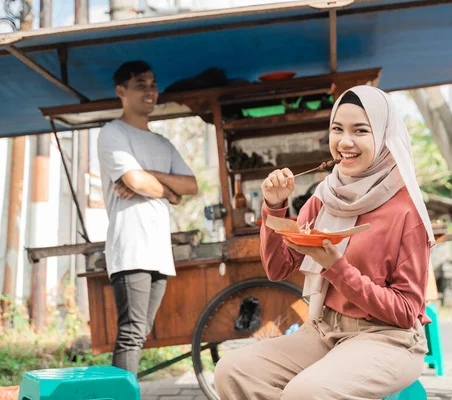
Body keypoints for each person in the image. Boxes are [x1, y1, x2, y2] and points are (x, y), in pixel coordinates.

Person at [214, 86, 435, 399]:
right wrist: (275, 207)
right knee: (232, 371)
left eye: (360, 130)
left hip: (388, 339)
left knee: (305, 393)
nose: (344, 142)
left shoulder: (405, 209)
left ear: (384, 137)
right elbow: (278, 269)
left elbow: (405, 312)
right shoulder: (325, 197)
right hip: (323, 330)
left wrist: (336, 268)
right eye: (337, 129)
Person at [97, 60, 198, 375]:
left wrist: (150, 177)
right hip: (130, 248)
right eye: (140, 84)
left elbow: (191, 185)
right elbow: (135, 182)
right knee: (131, 334)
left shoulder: (162, 143)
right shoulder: (112, 132)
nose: (150, 91)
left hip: (157, 250)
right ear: (121, 91)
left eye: (153, 84)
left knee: (139, 332)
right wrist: (168, 190)